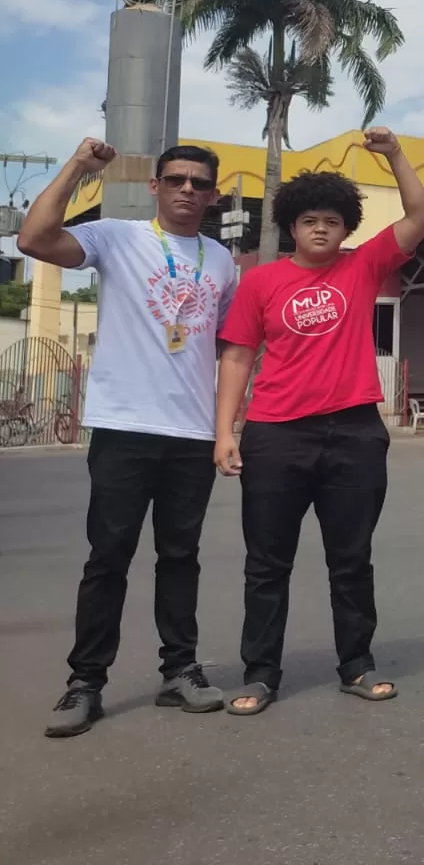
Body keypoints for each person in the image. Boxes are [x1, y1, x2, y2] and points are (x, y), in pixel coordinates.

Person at [214, 129, 424, 715]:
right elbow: (237, 355)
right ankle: (260, 673)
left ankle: (357, 665)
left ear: (346, 227)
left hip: (354, 433)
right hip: (276, 433)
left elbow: (420, 213)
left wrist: (392, 156)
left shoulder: (363, 267)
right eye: (309, 219)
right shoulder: (259, 281)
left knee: (351, 559)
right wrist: (225, 431)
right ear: (291, 225)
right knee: (266, 562)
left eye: (332, 220)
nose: (320, 228)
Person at [22, 139, 238, 737]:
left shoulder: (222, 261)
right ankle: (85, 682)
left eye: (199, 183)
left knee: (180, 557)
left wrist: (226, 429)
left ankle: (180, 671)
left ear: (213, 194)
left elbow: (227, 349)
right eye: (176, 180)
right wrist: (77, 169)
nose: (187, 190)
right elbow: (35, 239)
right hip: (124, 426)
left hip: (191, 432)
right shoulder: (117, 237)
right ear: (156, 186)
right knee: (108, 557)